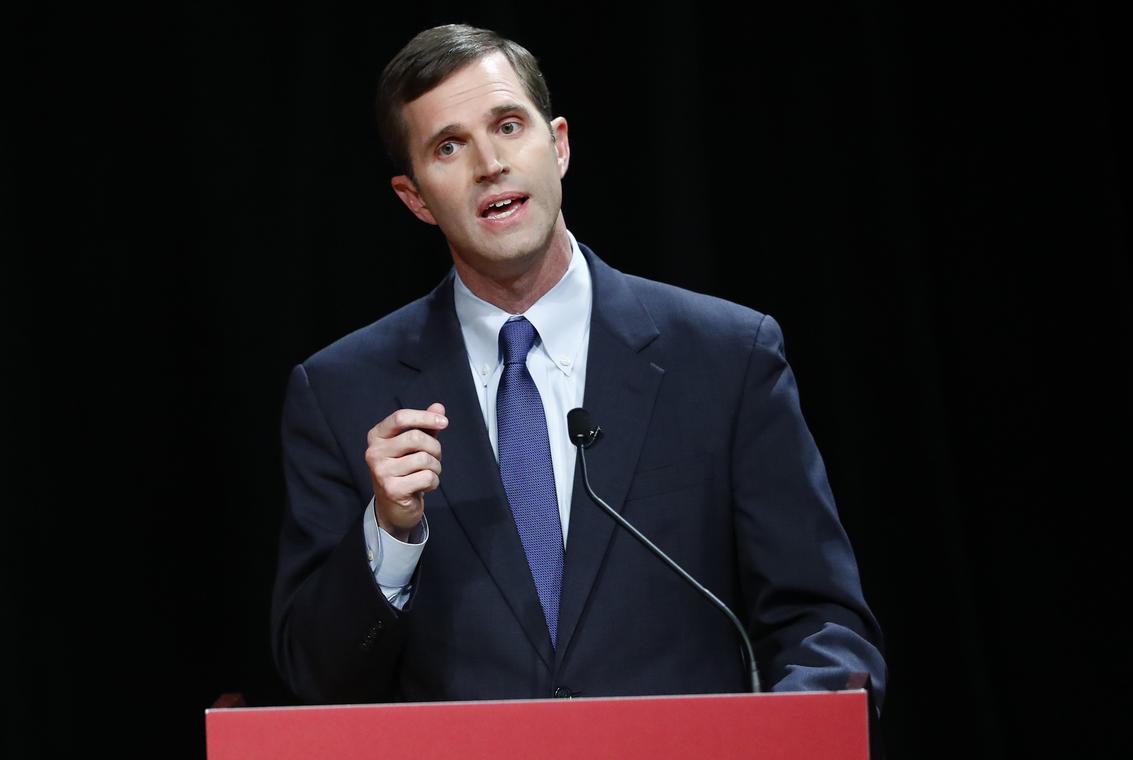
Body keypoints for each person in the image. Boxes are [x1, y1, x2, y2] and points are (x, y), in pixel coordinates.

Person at [270, 23, 887, 712]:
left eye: (508, 126)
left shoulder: (727, 359)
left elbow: (821, 626)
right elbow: (316, 677)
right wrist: (387, 535)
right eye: (449, 146)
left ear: (557, 144)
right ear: (414, 197)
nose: (489, 164)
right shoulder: (340, 392)